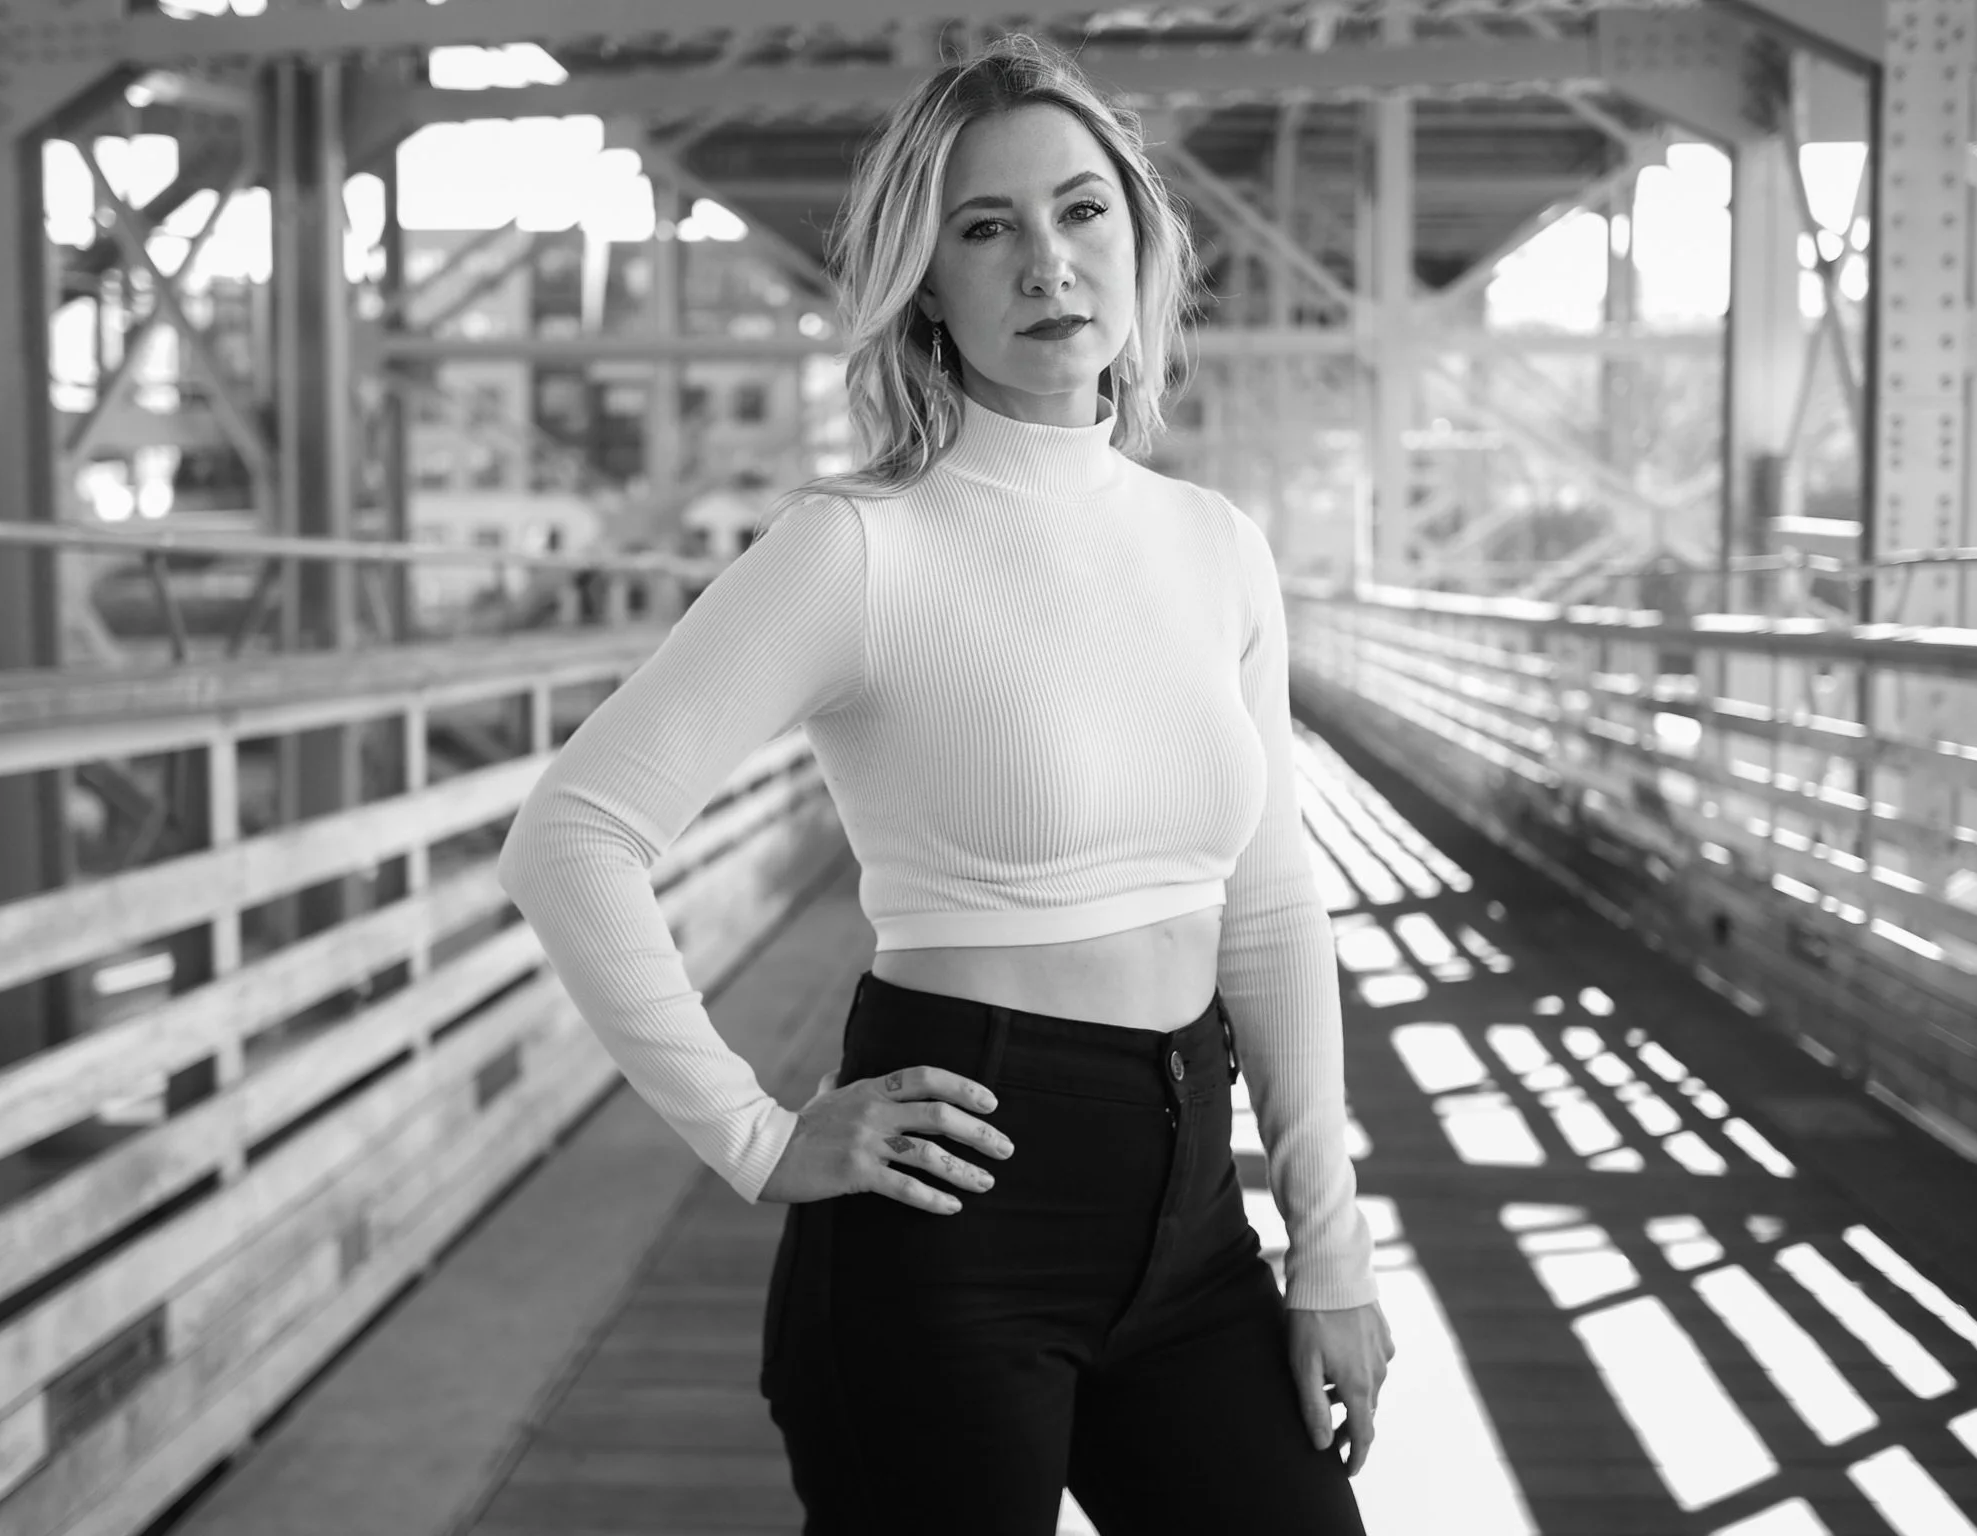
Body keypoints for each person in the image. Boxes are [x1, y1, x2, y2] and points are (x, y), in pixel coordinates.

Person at [494, 33, 1393, 1535]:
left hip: (1192, 1216)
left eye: (1080, 211)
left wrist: (1334, 1254)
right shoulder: (857, 547)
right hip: (949, 1210)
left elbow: (1271, 913)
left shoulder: (1214, 544)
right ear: (929, 281)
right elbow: (572, 838)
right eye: (988, 229)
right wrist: (761, 1137)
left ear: (1139, 236)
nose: (1048, 263)